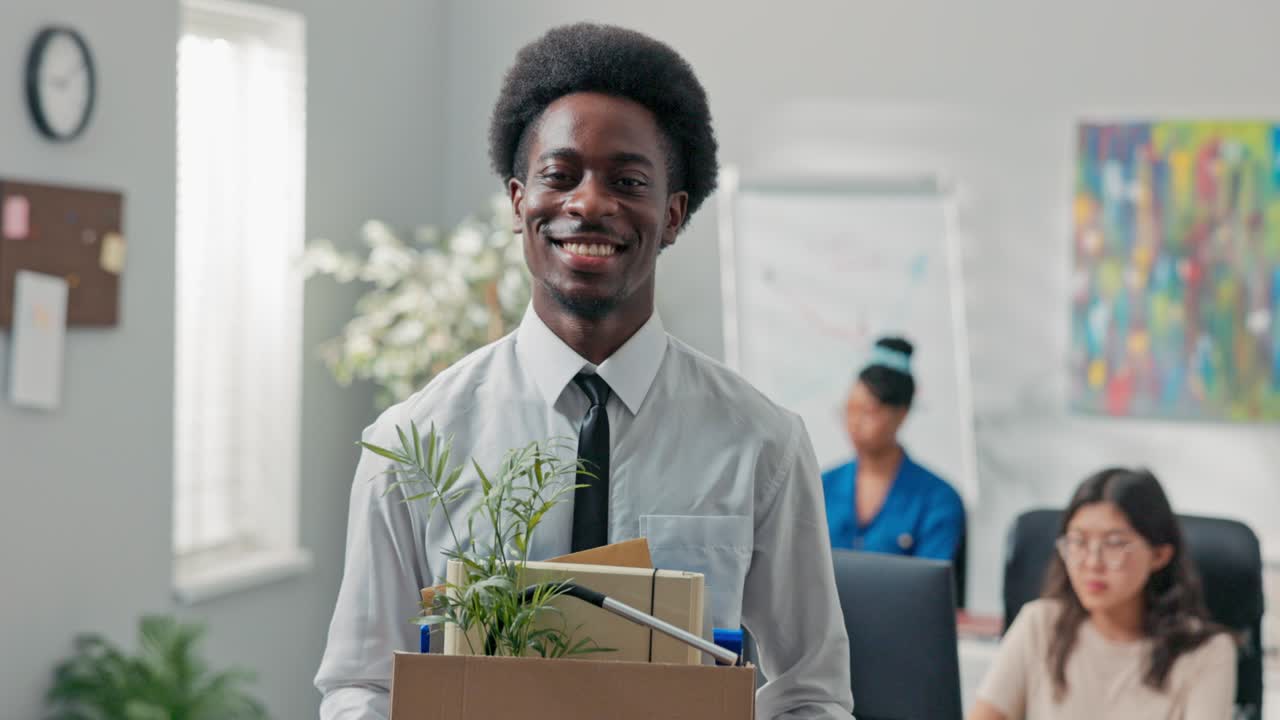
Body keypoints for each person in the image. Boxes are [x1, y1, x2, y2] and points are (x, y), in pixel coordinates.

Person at [314, 23, 854, 720]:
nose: (590, 203)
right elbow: (361, 685)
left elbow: (810, 691)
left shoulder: (763, 445)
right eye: (560, 176)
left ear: (673, 214)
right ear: (518, 202)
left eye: (627, 181)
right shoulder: (411, 443)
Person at [969, 467, 1237, 720]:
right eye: (1078, 542)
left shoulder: (1208, 652)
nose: (1092, 562)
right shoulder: (1040, 624)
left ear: (1159, 555)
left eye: (1114, 543)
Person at [821, 337, 964, 560]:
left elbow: (931, 588)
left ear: (901, 413)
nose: (855, 422)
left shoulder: (938, 499)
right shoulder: (821, 487)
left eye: (868, 411)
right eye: (850, 409)